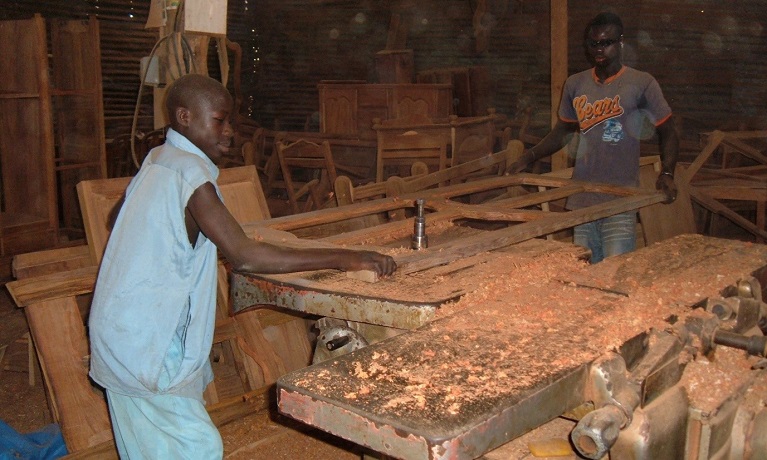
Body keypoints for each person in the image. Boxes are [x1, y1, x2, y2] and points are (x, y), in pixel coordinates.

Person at [88, 73, 397, 459]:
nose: (230, 131)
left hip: (121, 326)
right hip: (148, 339)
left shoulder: (159, 159)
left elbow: (116, 218)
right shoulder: (191, 174)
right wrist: (343, 257)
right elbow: (246, 255)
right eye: (220, 120)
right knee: (198, 447)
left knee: (150, 448)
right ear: (184, 116)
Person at [509, 12, 679, 263]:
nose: (599, 49)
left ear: (620, 42)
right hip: (582, 198)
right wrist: (528, 156)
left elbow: (668, 131)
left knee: (614, 271)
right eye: (593, 43)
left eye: (606, 42)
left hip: (620, 198)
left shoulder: (641, 83)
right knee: (584, 271)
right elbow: (563, 131)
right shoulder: (575, 84)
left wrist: (667, 173)